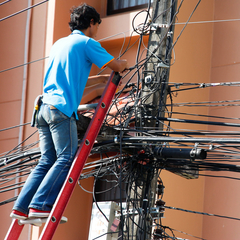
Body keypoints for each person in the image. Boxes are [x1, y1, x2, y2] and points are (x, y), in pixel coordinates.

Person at [10, 3, 128, 221]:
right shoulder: (86, 42)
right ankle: (40, 205)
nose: (97, 30)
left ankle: (21, 207)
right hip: (61, 110)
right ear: (91, 23)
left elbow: (73, 78)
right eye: (97, 25)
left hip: (44, 108)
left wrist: (101, 82)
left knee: (47, 160)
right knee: (66, 157)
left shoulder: (60, 44)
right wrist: (125, 64)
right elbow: (117, 66)